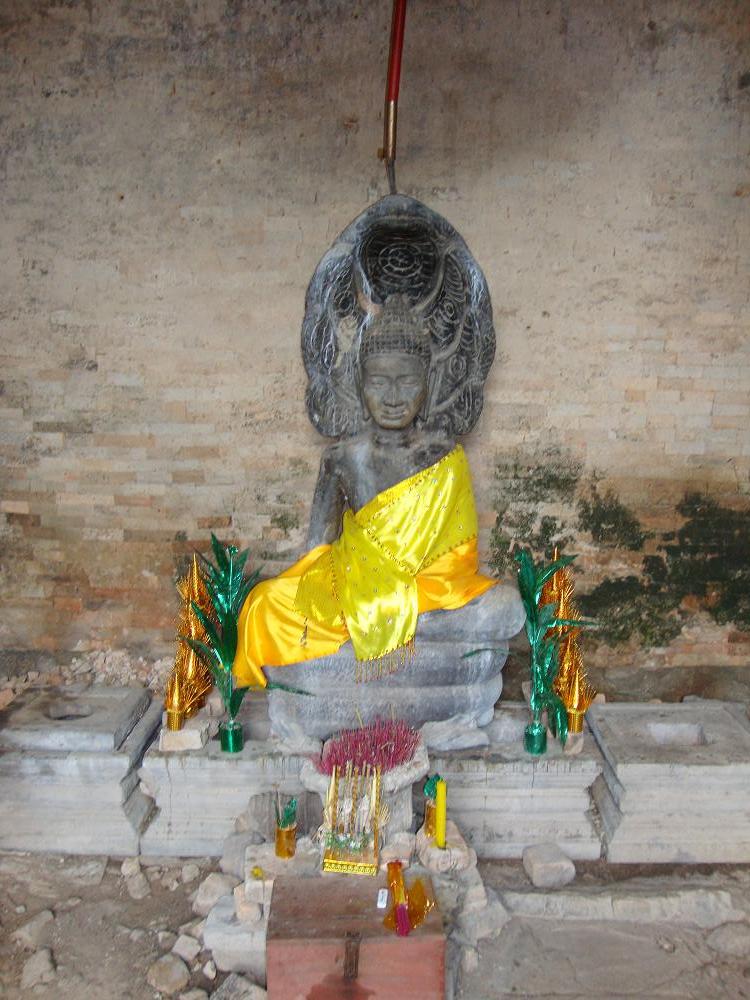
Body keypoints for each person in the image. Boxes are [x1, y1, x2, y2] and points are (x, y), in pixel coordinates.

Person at [233, 297, 498, 689]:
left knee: (501, 609)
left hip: (422, 591)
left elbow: (456, 563)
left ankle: (345, 659)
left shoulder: (444, 458)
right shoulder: (341, 457)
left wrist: (398, 594)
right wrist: (337, 595)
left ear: (428, 383)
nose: (392, 398)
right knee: (262, 603)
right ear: (359, 383)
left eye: (407, 382)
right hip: (349, 583)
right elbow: (317, 549)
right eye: (378, 382)